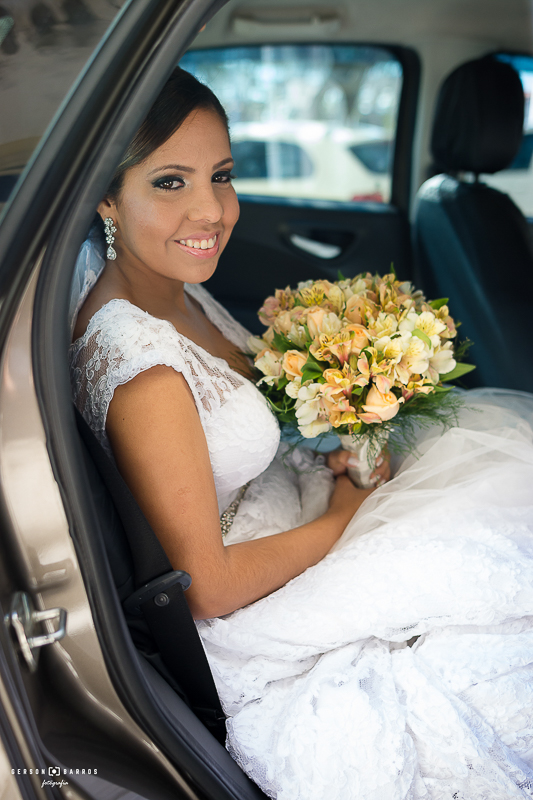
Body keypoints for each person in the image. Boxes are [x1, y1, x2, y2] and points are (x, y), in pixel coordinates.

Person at [70, 67, 533, 799]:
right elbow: (209, 589)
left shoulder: (176, 291)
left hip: (301, 515)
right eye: (169, 183)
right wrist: (348, 515)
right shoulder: (144, 370)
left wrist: (338, 434)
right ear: (104, 196)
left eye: (220, 176)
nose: (211, 211)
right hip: (260, 605)